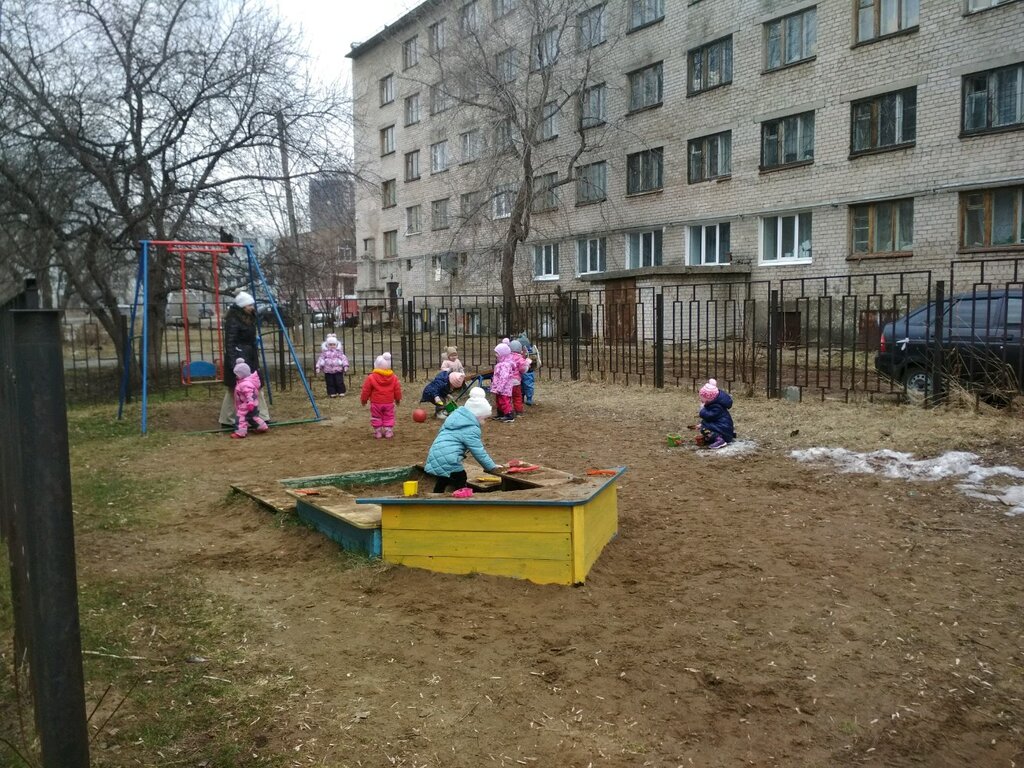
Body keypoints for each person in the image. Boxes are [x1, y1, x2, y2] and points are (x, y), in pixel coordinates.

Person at [424, 386, 503, 493]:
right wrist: (491, 467)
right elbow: (478, 451)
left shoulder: (454, 418)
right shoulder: (470, 428)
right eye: (484, 418)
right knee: (460, 477)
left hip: (435, 454)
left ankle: (436, 495)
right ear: (477, 416)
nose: (484, 422)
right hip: (450, 460)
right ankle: (462, 497)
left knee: (444, 476)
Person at [219, 290, 270, 427]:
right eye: (249, 305)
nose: (252, 307)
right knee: (234, 388)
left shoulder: (249, 317)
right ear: (242, 306)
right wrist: (233, 363)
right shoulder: (234, 320)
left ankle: (262, 416)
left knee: (257, 385)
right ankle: (227, 419)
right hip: (239, 358)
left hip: (250, 356)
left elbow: (258, 316)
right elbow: (230, 342)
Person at [360, 352, 401, 439]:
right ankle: (388, 431)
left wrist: (364, 400)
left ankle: (377, 432)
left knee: (376, 416)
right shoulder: (393, 377)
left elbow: (366, 390)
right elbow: (397, 389)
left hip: (376, 402)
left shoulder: (371, 377)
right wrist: (397, 399)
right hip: (389, 402)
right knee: (389, 416)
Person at [230, 359, 269, 439]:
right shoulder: (244, 381)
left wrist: (250, 403)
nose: (236, 376)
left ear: (242, 374)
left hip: (247, 404)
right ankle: (262, 427)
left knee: (241, 417)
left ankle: (240, 432)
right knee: (253, 417)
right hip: (252, 404)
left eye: (237, 374)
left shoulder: (245, 384)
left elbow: (249, 394)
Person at [695, 378, 735, 450]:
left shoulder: (717, 407)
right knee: (703, 428)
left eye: (703, 399)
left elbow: (709, 416)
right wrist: (702, 424)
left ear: (709, 399)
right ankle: (713, 438)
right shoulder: (715, 404)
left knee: (704, 429)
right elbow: (713, 420)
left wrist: (702, 410)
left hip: (724, 432)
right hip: (723, 428)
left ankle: (720, 440)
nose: (701, 400)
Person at [490, 340, 517, 422]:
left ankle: (508, 414)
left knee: (504, 401)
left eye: (497, 353)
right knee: (499, 400)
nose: (496, 355)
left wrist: (499, 387)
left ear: (503, 354)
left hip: (504, 388)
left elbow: (503, 378)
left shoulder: (505, 365)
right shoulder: (501, 364)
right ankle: (501, 413)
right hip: (499, 388)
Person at [315, 333, 350, 398]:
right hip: (328, 370)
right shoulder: (325, 352)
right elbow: (320, 359)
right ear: (327, 345)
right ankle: (332, 393)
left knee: (339, 381)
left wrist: (345, 365)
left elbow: (344, 358)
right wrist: (318, 367)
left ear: (336, 345)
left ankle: (341, 391)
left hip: (338, 370)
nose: (332, 346)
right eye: (330, 344)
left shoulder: (339, 352)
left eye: (334, 344)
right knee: (330, 382)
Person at [509, 339, 530, 416]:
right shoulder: (519, 358)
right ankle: (518, 411)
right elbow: (523, 369)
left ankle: (508, 410)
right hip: (516, 382)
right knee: (517, 396)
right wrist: (527, 364)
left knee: (508, 397)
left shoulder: (507, 357)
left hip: (507, 381)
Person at [518, 333, 539, 405]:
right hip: (523, 373)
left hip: (527, 372)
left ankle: (528, 398)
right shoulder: (530, 353)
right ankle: (524, 398)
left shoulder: (531, 354)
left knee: (526, 386)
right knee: (524, 386)